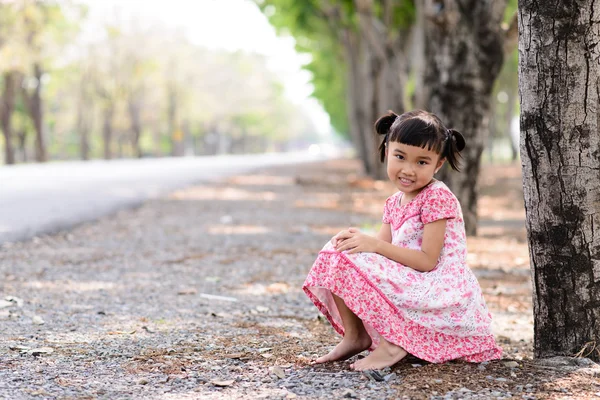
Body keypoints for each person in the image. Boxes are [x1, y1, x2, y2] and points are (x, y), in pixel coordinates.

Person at [303, 109, 503, 371]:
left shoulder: (436, 197)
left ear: (438, 164)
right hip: (410, 280)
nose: (408, 170)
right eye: (400, 157)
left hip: (437, 288)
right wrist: (360, 243)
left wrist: (373, 244)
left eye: (422, 162)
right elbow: (377, 256)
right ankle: (355, 336)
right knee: (340, 251)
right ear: (387, 151)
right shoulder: (394, 202)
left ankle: (394, 343)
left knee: (349, 255)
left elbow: (427, 261)